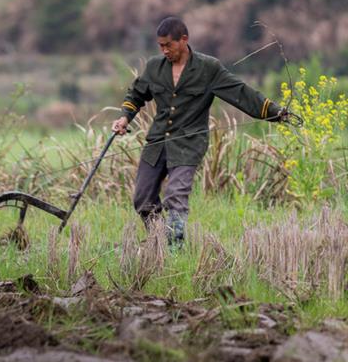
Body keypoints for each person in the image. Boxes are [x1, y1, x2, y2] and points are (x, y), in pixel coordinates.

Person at [112, 16, 287, 246]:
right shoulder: (154, 67)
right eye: (161, 46)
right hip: (156, 143)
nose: (164, 50)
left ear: (184, 40)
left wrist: (275, 112)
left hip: (189, 145)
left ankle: (175, 247)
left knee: (176, 196)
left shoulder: (208, 68)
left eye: (169, 45)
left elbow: (241, 92)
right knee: (142, 199)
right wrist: (124, 117)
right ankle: (158, 242)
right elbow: (136, 94)